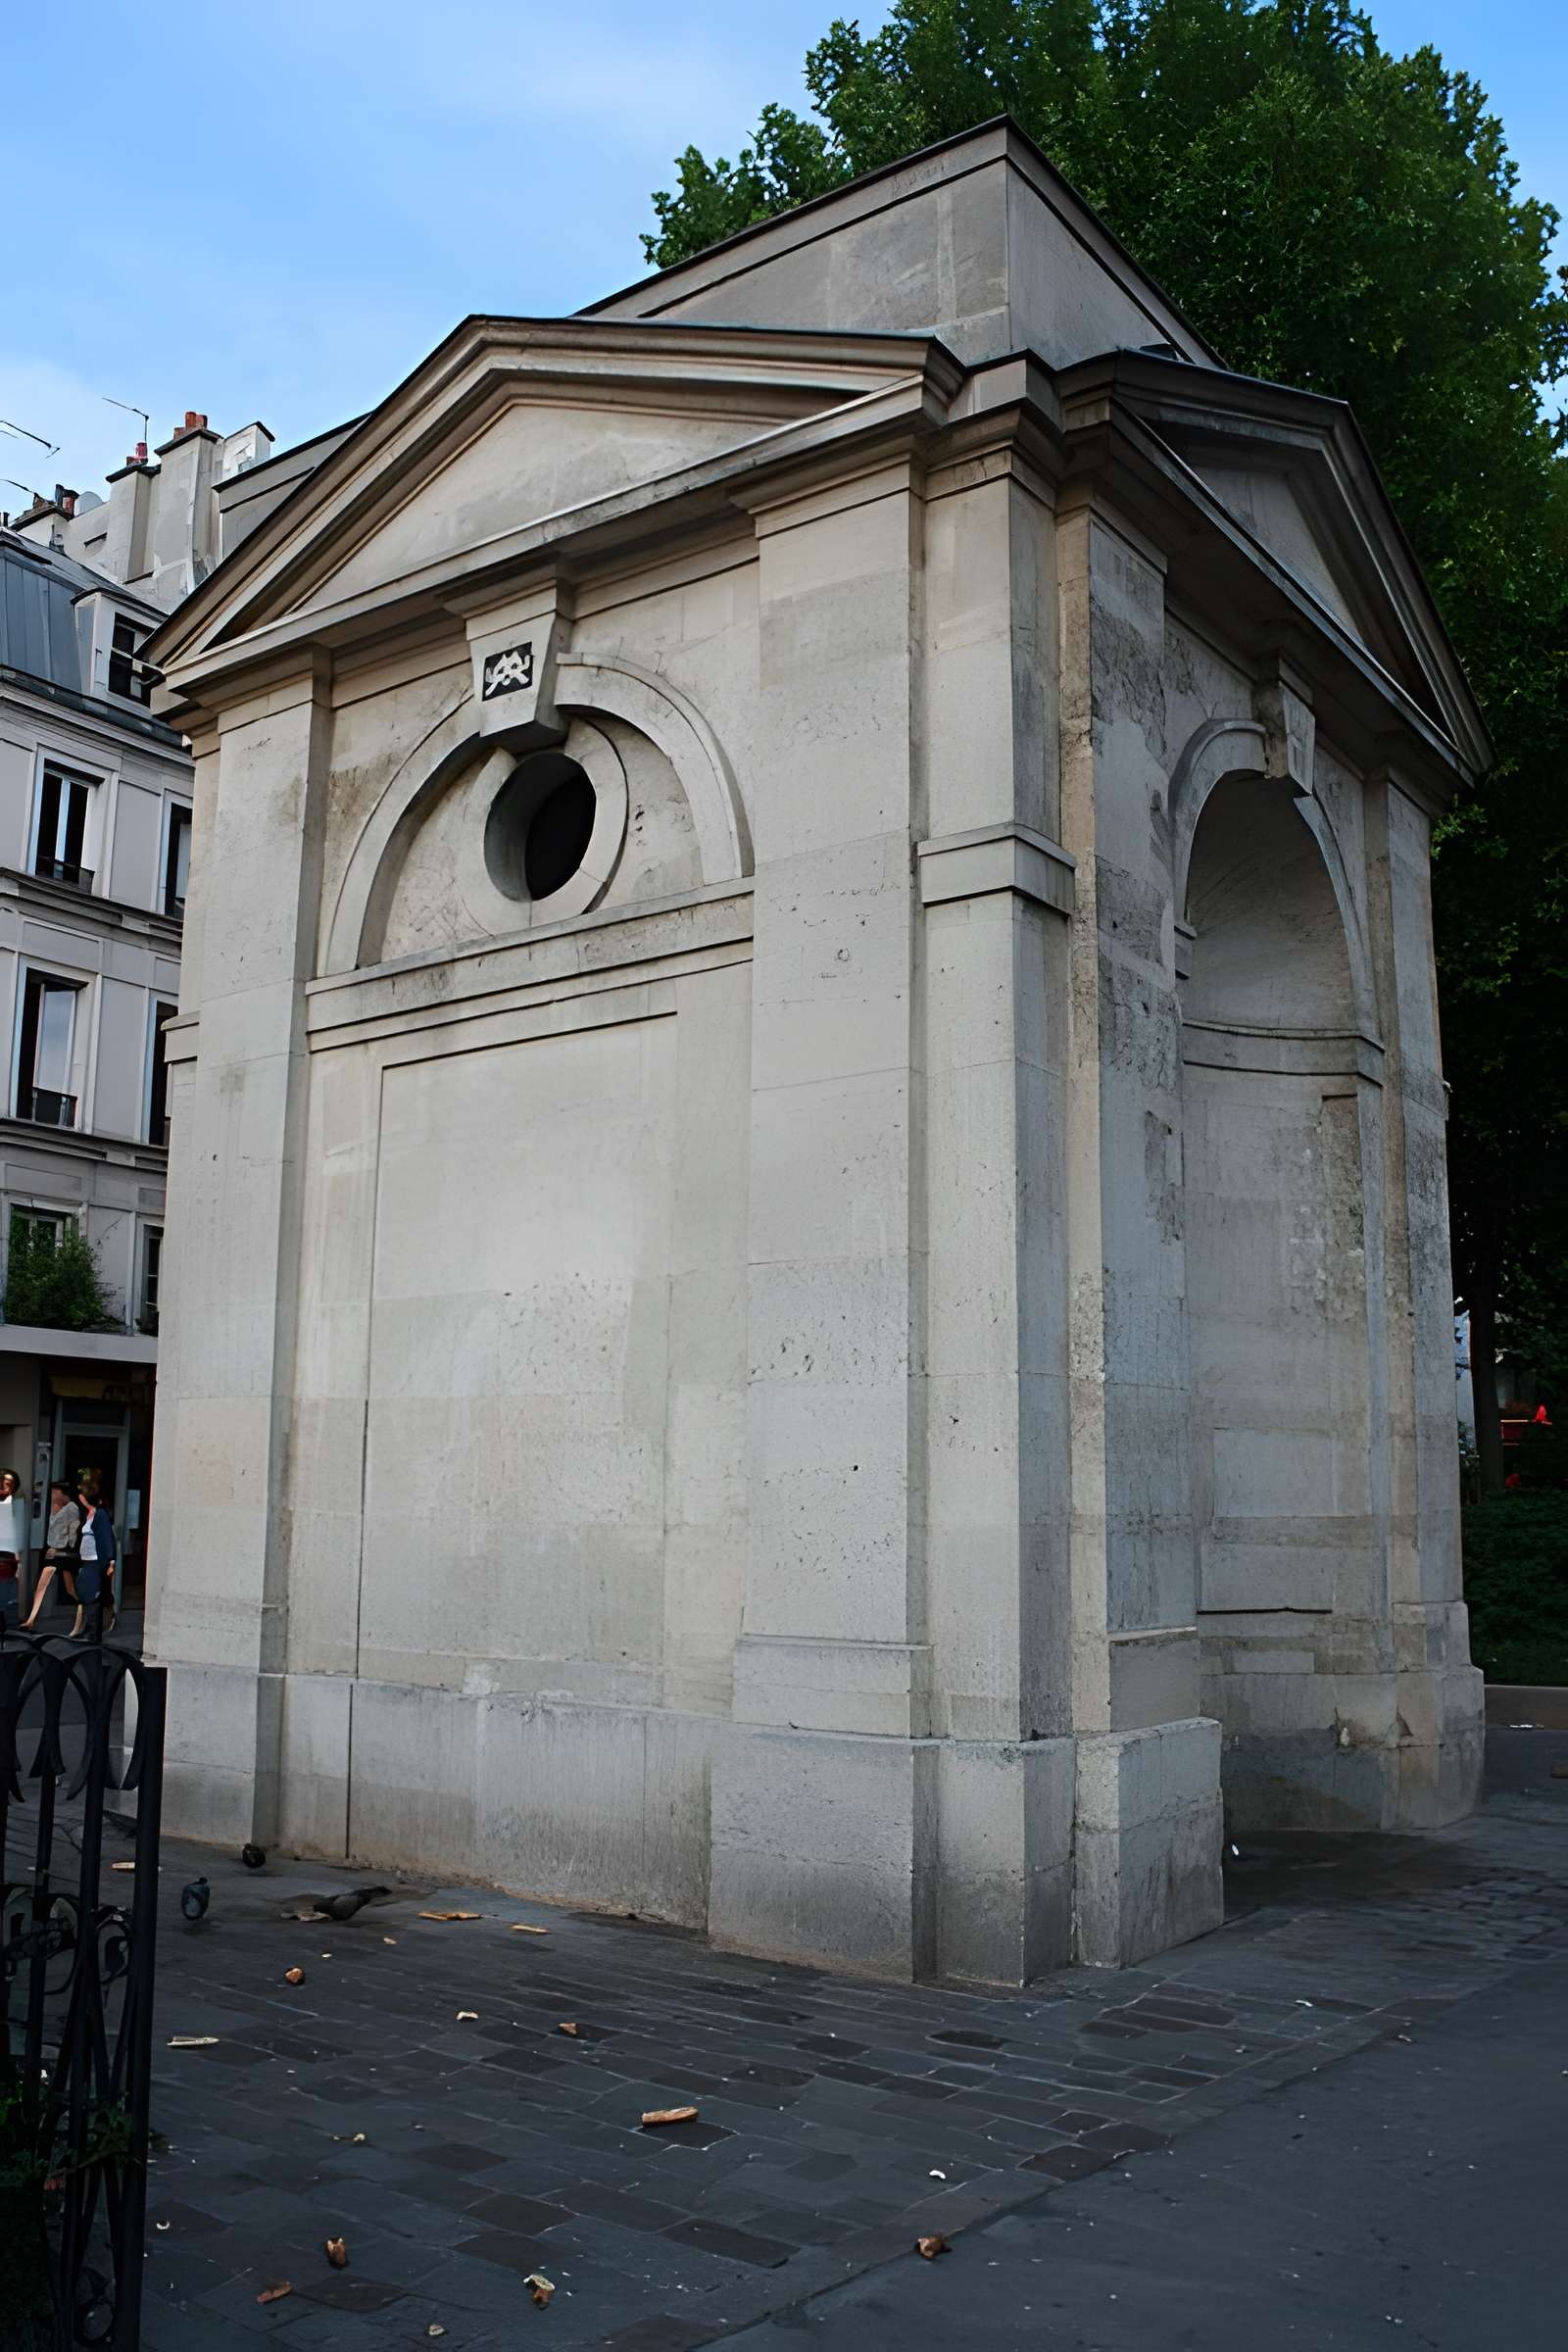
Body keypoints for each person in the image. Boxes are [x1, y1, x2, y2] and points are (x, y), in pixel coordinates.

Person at [20, 1483, 80, 1632]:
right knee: (42, 1585)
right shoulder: (51, 1506)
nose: (52, 1495)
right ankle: (31, 1620)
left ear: (63, 1494)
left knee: (70, 1589)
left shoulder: (71, 1507)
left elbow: (73, 1531)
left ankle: (85, 1610)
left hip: (63, 1552)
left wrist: (61, 1548)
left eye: (55, 1492)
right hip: (52, 1551)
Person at [72, 1487, 118, 1640]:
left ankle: (93, 1632)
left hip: (95, 1561)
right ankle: (89, 1629)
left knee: (92, 1594)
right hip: (87, 1561)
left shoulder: (100, 1514)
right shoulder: (89, 1515)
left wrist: (111, 1561)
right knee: (86, 1592)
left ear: (84, 1499)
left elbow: (107, 1537)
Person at [0, 1467, 26, 1629]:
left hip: (8, 1556)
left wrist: (18, 1558)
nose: (6, 1486)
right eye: (4, 1482)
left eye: (10, 1483)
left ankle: (8, 1626)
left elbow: (15, 1531)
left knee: (7, 1592)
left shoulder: (15, 1503)